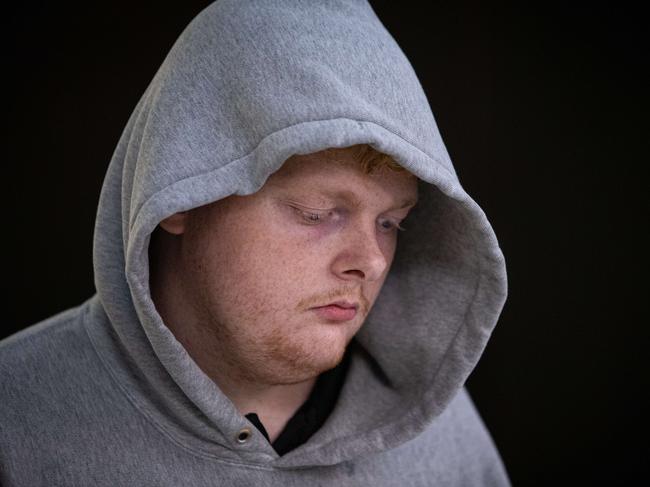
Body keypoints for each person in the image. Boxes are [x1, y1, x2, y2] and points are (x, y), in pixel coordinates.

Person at [0, 1, 509, 485]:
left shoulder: (440, 432)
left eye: (390, 223)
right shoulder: (17, 415)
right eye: (316, 213)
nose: (372, 262)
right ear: (182, 195)